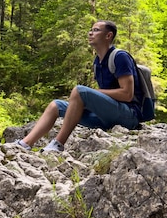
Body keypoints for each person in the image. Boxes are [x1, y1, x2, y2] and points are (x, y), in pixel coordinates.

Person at [11, 20, 143, 152]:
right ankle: (25, 144)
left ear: (108, 36)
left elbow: (127, 94)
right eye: (90, 30)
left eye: (96, 30)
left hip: (128, 116)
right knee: (55, 105)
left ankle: (58, 144)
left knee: (80, 91)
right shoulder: (98, 61)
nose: (90, 33)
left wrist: (92, 93)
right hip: (106, 117)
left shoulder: (120, 57)